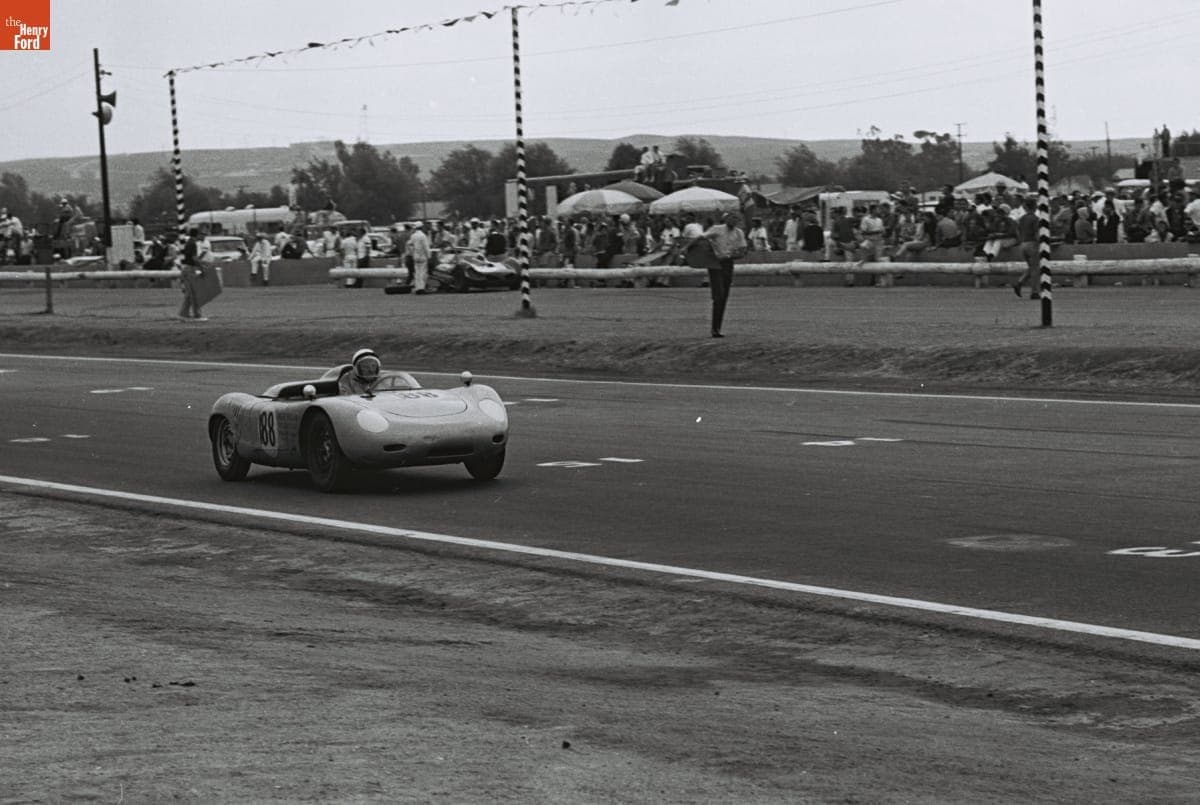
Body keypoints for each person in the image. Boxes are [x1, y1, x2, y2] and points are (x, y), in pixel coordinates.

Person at [702, 212, 747, 338]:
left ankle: (717, 327)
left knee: (724, 295)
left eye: (736, 219)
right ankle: (715, 328)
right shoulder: (717, 229)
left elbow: (743, 250)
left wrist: (731, 255)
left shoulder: (738, 233)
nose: (733, 221)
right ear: (726, 219)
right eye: (731, 218)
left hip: (728, 263)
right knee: (719, 295)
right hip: (716, 263)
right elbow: (701, 238)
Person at [1013, 198, 1041, 298]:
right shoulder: (1035, 218)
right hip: (1032, 243)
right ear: (1034, 206)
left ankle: (1020, 282)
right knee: (1035, 269)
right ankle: (1034, 292)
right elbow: (1037, 233)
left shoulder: (1022, 218)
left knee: (1032, 267)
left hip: (1023, 244)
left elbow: (1018, 232)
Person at [177, 228, 207, 321]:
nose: (204, 237)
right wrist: (202, 267)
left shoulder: (188, 243)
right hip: (190, 269)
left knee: (189, 294)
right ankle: (197, 315)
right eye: (202, 234)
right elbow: (194, 258)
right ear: (197, 235)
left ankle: (184, 314)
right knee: (194, 293)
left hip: (187, 269)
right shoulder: (192, 244)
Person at [408, 221, 432, 294]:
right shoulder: (423, 236)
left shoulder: (413, 236)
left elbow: (409, 245)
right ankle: (421, 288)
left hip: (415, 256)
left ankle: (417, 288)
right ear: (422, 227)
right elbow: (426, 247)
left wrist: (412, 253)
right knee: (423, 272)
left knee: (417, 272)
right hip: (423, 256)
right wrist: (429, 256)